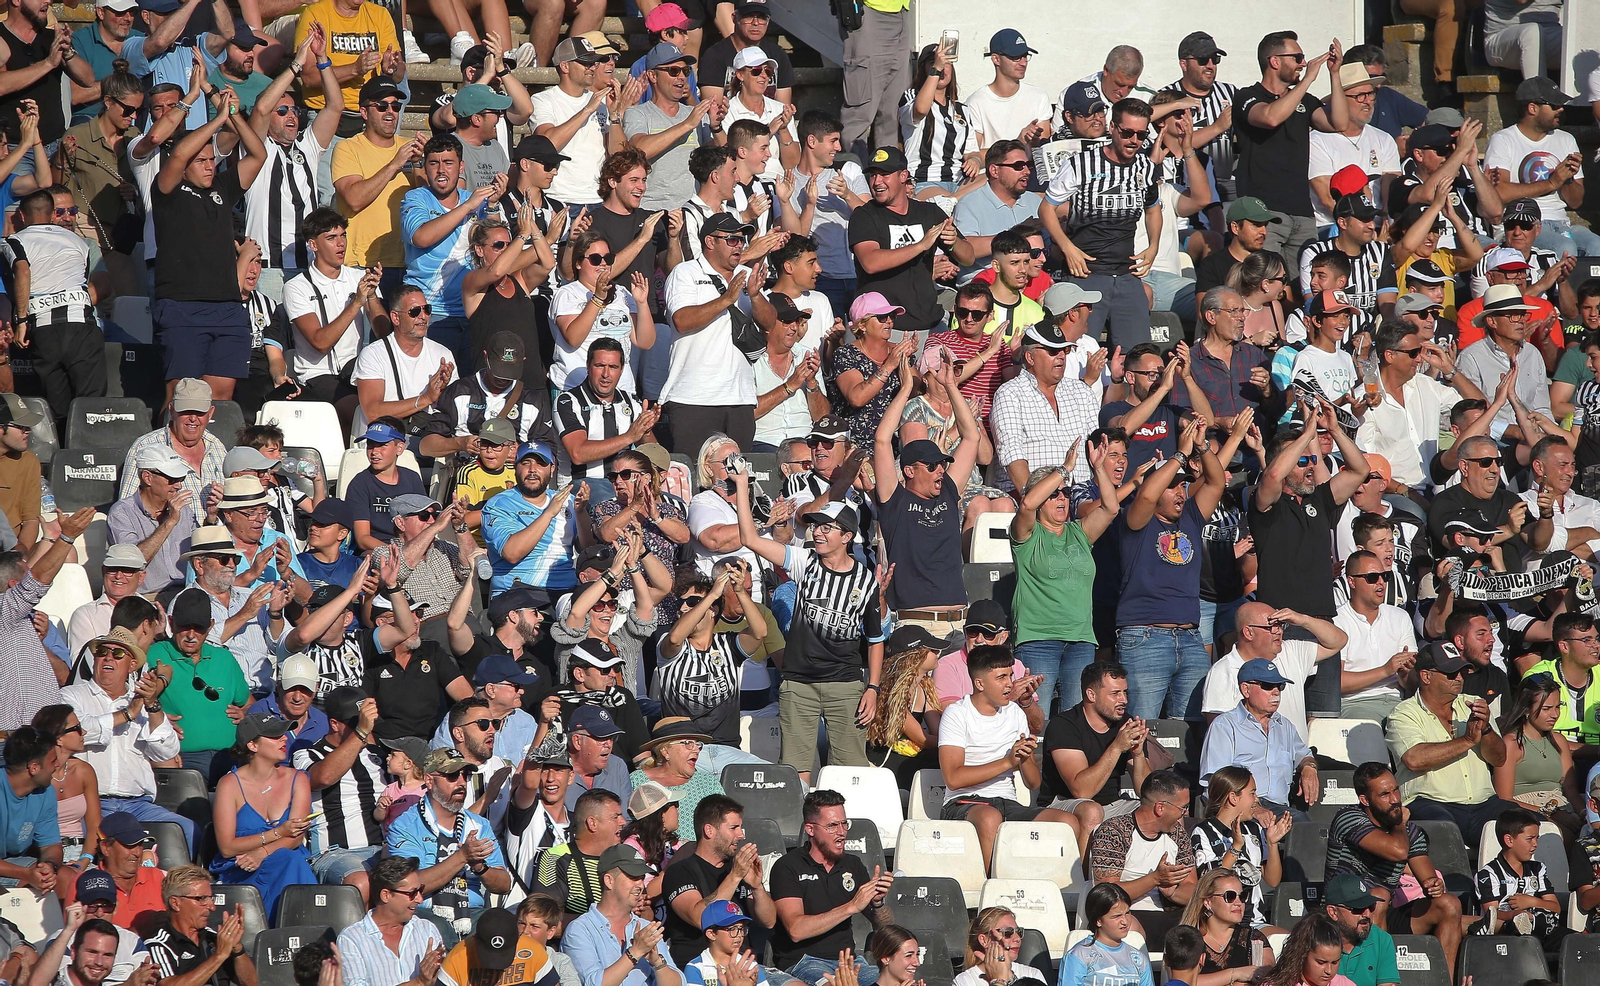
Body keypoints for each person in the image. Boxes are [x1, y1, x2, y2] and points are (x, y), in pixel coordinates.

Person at [149, 86, 267, 401]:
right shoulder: (166, 190)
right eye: (200, 160)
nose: (208, 166)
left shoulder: (222, 187)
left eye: (212, 160)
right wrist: (217, 120)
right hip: (182, 305)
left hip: (228, 307)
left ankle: (212, 451)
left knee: (221, 398)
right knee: (182, 397)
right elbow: (178, 154)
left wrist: (233, 116)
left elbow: (258, 154)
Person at [1114, 418, 1227, 720]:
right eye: (1172, 486)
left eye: (1183, 486)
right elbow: (1148, 495)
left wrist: (1202, 447)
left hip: (1191, 639)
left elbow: (1217, 482)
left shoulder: (1190, 516)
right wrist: (1178, 454)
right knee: (1144, 728)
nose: (1180, 493)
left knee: (1191, 732)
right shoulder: (1136, 520)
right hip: (1144, 637)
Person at [1011, 435, 1121, 715]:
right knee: (1036, 722)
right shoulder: (1027, 534)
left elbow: (1111, 507)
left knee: (1075, 725)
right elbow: (1026, 505)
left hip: (1081, 641)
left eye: (1067, 493)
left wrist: (1097, 468)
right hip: (1038, 640)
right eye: (1054, 494)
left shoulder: (1079, 532)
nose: (1062, 498)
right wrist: (1064, 469)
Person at [873, 359, 981, 640]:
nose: (940, 470)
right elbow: (882, 441)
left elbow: (971, 438)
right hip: (915, 626)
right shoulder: (893, 500)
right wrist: (906, 388)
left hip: (959, 626)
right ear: (909, 471)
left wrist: (950, 385)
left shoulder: (946, 490)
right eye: (931, 466)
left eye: (942, 464)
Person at [1040, 97, 1160, 349]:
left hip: (1127, 274)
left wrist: (1154, 246)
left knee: (1137, 357)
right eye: (1127, 132)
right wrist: (1067, 247)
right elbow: (1046, 208)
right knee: (1078, 354)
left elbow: (1153, 209)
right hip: (1087, 274)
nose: (1134, 141)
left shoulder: (1146, 166)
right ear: (1113, 128)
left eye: (1141, 134)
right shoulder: (1080, 164)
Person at [1233, 32, 1349, 266]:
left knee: (1302, 285)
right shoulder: (1247, 96)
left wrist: (1334, 74)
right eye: (1297, 57)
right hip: (1263, 213)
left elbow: (1339, 123)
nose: (1303, 63)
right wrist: (1308, 79)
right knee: (1267, 280)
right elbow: (1270, 117)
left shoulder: (1304, 101)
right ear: (1275, 61)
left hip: (1302, 213)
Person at [661, 211, 772, 453]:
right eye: (732, 239)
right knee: (695, 476)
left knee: (737, 478)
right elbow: (681, 320)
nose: (740, 246)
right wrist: (727, 299)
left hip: (740, 399)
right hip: (694, 398)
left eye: (742, 240)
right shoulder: (685, 273)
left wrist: (754, 296)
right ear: (709, 242)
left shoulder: (745, 275)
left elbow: (770, 324)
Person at [768, 789, 892, 986]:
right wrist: (851, 906)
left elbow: (884, 927)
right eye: (832, 826)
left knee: (894, 982)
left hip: (851, 962)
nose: (842, 832)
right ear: (810, 829)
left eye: (844, 824)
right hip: (805, 961)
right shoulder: (788, 866)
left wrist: (877, 903)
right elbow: (796, 929)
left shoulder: (853, 864)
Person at [849, 146, 971, 336]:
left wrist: (954, 242)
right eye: (873, 175)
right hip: (882, 328)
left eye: (884, 174)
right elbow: (871, 262)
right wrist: (921, 245)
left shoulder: (929, 212)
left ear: (903, 176)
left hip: (929, 325)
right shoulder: (864, 216)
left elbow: (968, 257)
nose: (877, 181)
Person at [209, 713, 316, 920]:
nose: (285, 738)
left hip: (285, 860)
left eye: (284, 734)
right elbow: (227, 847)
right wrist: (278, 832)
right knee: (290, 861)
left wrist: (263, 852)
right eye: (276, 736)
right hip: (242, 866)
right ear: (253, 745)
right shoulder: (229, 784)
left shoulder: (298, 779)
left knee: (290, 858)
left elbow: (294, 838)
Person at [386, 746, 512, 919]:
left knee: (503, 927)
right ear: (429, 781)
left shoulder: (479, 825)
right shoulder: (404, 826)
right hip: (423, 914)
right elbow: (408, 884)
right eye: (452, 775)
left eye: (465, 775)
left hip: (472, 913)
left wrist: (480, 868)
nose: (461, 782)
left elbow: (504, 884)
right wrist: (462, 857)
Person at [1483, 78, 1594, 259]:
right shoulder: (1503, 140)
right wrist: (1551, 182)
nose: (1561, 109)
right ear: (1532, 108)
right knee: (1566, 249)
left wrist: (1567, 178)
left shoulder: (1566, 140)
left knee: (1596, 246)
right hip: (1521, 225)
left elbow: (1575, 202)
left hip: (1561, 224)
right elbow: (1499, 192)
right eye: (1554, 105)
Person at [659, 794, 774, 967]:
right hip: (700, 969)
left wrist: (757, 887)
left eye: (741, 828)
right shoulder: (680, 872)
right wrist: (735, 876)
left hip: (744, 967)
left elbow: (769, 921)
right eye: (733, 828)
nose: (741, 835)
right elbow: (700, 917)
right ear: (709, 830)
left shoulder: (738, 868)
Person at [294, 685, 386, 893]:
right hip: (335, 853)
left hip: (383, 849)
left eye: (367, 720)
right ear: (334, 724)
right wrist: (361, 732)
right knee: (362, 882)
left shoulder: (378, 754)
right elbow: (323, 777)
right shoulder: (307, 755)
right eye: (357, 722)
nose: (366, 726)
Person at [1199, 658, 1318, 816]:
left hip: (1281, 809)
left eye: (1279, 686)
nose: (1276, 692)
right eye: (1268, 686)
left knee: (1312, 831)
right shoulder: (1225, 726)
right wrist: (1252, 808)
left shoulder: (1285, 726)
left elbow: (1304, 755)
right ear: (1246, 689)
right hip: (1238, 809)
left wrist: (1309, 768)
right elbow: (1217, 782)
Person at [331, 79, 424, 280]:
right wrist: (393, 165)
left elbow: (430, 198)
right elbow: (354, 200)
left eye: (396, 106)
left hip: (409, 262)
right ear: (364, 112)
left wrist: (419, 164)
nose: (390, 111)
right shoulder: (348, 148)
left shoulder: (411, 148)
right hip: (363, 264)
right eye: (382, 106)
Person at [562, 845, 683, 986]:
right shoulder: (580, 930)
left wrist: (657, 962)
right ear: (609, 881)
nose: (640, 885)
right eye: (633, 877)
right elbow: (593, 983)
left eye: (642, 878)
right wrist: (635, 952)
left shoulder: (646, 929)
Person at [482, 440, 586, 594]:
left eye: (540, 464)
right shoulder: (498, 505)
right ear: (515, 468)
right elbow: (511, 554)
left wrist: (581, 512)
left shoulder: (567, 500)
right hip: (517, 591)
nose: (532, 470)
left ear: (552, 469)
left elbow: (586, 549)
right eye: (526, 463)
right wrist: (549, 513)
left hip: (565, 591)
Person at [1192, 767, 1289, 930]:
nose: (1257, 799)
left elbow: (1272, 880)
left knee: (1286, 941)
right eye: (1252, 793)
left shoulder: (1254, 829)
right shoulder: (1203, 831)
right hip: (1218, 923)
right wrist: (1236, 847)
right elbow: (1209, 882)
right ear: (1233, 798)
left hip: (1255, 921)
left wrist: (1272, 844)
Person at [334, 856, 448, 986]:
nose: (420, 899)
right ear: (386, 895)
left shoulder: (427, 930)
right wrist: (419, 982)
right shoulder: (352, 939)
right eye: (412, 893)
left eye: (420, 890)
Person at [1333, 551, 1418, 725]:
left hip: (1399, 703)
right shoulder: (1337, 621)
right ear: (1351, 581)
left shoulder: (1400, 617)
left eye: (1385, 576)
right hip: (1354, 704)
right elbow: (1336, 682)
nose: (1381, 582)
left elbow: (1410, 683)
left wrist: (1407, 674)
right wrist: (1385, 670)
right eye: (1372, 577)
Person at [1498, 647, 1581, 821]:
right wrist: (1550, 814)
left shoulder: (1559, 741)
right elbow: (1504, 799)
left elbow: (1572, 791)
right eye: (1546, 709)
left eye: (1558, 707)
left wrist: (1585, 815)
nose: (1555, 714)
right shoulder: (1512, 743)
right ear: (1526, 709)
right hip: (1527, 813)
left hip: (1563, 807)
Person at [117, 379, 226, 507]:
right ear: (172, 411)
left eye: (199, 412)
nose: (193, 418)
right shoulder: (145, 446)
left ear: (210, 413)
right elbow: (126, 510)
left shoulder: (217, 446)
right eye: (185, 411)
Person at [142, 865, 256, 986]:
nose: (212, 907)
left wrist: (237, 948)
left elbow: (251, 983)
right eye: (201, 899)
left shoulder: (214, 938)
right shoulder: (159, 945)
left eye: (211, 898)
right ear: (175, 903)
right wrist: (218, 956)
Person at [1473, 806, 1567, 951]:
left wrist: (1531, 901)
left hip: (1545, 931)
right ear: (1509, 840)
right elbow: (1491, 915)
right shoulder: (1488, 874)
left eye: (1537, 838)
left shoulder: (1538, 869)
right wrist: (1515, 915)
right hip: (1508, 934)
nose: (1535, 844)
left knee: (1577, 941)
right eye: (1529, 839)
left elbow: (1555, 908)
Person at [900, 43, 977, 193]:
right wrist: (936, 69)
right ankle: (952, 202)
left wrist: (975, 160)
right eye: (933, 62)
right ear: (924, 69)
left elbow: (971, 151)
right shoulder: (911, 97)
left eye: (947, 63)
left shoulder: (962, 110)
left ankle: (953, 201)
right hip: (924, 180)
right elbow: (921, 110)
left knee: (993, 179)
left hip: (958, 182)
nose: (942, 67)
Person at [1177, 866, 1273, 982]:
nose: (1238, 903)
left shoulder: (1254, 939)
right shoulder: (1187, 940)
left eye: (1242, 896)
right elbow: (1182, 982)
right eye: (1230, 896)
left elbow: (1268, 978)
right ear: (1207, 902)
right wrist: (1235, 974)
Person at [0, 725, 63, 892]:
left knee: (63, 878)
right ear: (34, 767)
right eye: (52, 760)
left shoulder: (45, 791)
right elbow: (27, 875)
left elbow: (51, 845)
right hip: (13, 868)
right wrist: (26, 874)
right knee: (28, 884)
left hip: (12, 862)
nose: (57, 765)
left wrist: (49, 866)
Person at [1057, 883, 1153, 986]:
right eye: (1117, 916)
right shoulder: (1079, 955)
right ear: (1098, 920)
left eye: (1127, 913)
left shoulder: (1139, 959)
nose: (1125, 921)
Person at [440, 906, 560, 986]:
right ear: (475, 937)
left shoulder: (533, 951)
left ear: (518, 937)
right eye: (489, 953)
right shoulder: (456, 959)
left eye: (503, 953)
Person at [245, 656, 328, 761]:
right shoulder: (259, 714)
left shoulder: (323, 723)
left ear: (316, 689)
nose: (297, 698)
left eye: (305, 689)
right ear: (279, 687)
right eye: (291, 688)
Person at [954, 907, 1046, 986]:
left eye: (1019, 932)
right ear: (984, 940)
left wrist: (1009, 978)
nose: (1017, 938)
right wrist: (999, 981)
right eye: (1008, 932)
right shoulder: (965, 981)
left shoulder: (1032, 974)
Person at [682, 900, 763, 986]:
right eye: (732, 929)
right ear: (711, 934)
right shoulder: (696, 967)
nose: (739, 934)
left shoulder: (750, 965)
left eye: (741, 929)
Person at [1252, 917, 1351, 986]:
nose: (1328, 971)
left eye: (1335, 962)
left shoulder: (1344, 983)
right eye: (1321, 962)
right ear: (1302, 955)